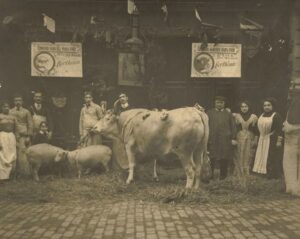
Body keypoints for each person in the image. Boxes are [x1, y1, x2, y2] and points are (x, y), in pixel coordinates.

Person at [207, 96, 237, 180]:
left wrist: (233, 138)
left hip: (225, 139)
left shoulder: (228, 113)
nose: (219, 104)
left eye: (221, 102)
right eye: (217, 102)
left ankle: (223, 175)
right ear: (214, 103)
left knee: (224, 157)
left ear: (224, 103)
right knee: (211, 157)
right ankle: (210, 174)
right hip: (212, 138)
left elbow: (233, 126)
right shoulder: (209, 113)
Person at [252, 98, 284, 179]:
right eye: (265, 105)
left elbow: (280, 129)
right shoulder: (261, 115)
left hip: (272, 138)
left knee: (271, 156)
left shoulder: (276, 115)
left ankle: (272, 174)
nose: (266, 107)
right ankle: (261, 171)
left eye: (269, 105)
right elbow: (256, 128)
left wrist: (279, 140)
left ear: (273, 106)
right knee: (261, 154)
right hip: (262, 138)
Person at [9, 94, 33, 177]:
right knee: (13, 154)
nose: (18, 102)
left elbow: (30, 124)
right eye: (16, 100)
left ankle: (25, 174)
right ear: (13, 102)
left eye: (19, 100)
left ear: (22, 102)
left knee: (23, 154)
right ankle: (13, 173)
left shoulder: (26, 111)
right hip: (13, 136)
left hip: (24, 136)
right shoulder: (10, 111)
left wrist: (28, 136)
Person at [233, 101, 258, 177]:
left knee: (249, 152)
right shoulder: (237, 116)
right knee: (239, 152)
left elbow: (256, 129)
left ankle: (247, 170)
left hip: (250, 136)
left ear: (249, 107)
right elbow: (234, 128)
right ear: (240, 108)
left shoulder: (254, 117)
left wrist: (256, 139)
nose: (244, 108)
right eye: (242, 107)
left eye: (246, 106)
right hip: (239, 136)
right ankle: (239, 170)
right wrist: (234, 138)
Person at [0, 102, 17, 181]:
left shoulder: (13, 117)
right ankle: (3, 176)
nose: (6, 108)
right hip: (2, 135)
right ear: (1, 108)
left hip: (11, 136)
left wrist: (16, 138)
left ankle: (11, 175)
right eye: (4, 106)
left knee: (12, 153)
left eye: (7, 106)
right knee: (3, 154)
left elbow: (16, 128)